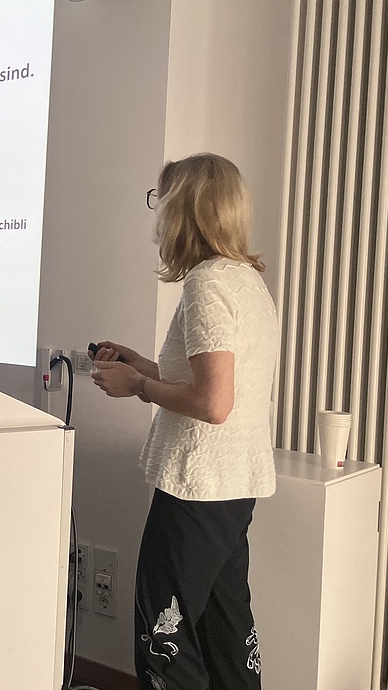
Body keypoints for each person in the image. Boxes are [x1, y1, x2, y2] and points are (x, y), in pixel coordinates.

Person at [89, 154, 279, 690]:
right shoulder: (246, 282)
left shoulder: (205, 286)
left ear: (185, 211)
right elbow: (214, 388)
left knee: (162, 637)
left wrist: (138, 387)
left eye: (162, 201)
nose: (157, 217)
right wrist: (140, 367)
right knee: (226, 629)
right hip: (232, 488)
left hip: (197, 488)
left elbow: (214, 404)